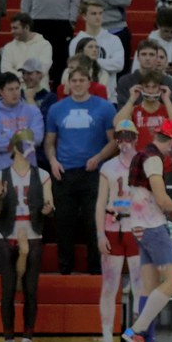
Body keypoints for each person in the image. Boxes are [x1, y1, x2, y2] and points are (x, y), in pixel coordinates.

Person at [122, 119, 172, 342]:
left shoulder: (140, 156)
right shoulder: (154, 160)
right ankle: (137, 331)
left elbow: (151, 200)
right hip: (152, 227)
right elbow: (162, 200)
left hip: (139, 226)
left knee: (149, 287)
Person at [44, 64, 116, 275]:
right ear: (68, 83)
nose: (77, 84)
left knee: (94, 222)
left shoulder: (105, 108)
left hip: (94, 173)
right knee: (64, 223)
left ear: (89, 83)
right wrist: (52, 161)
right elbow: (49, 142)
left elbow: (114, 142)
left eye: (81, 80)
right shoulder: (56, 109)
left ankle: (96, 269)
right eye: (73, 80)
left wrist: (99, 157)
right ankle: (65, 269)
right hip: (64, 172)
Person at [0, 128, 54, 342]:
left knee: (31, 290)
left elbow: (50, 205)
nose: (29, 148)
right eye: (25, 144)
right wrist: (1, 197)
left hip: (33, 235)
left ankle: (27, 338)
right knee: (7, 290)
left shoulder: (42, 175)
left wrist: (47, 209)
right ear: (16, 148)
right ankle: (8, 339)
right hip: (7, 235)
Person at [93, 119, 142, 342]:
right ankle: (107, 340)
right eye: (120, 137)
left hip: (136, 227)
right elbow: (100, 202)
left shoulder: (144, 164)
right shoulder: (108, 167)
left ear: (136, 138)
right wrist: (100, 233)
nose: (125, 142)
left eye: (129, 137)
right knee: (110, 286)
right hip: (113, 225)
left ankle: (138, 339)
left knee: (139, 286)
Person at [0, 72, 44, 178]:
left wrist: (6, 135)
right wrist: (25, 135)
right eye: (10, 89)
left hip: (28, 173)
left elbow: (37, 138)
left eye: (17, 88)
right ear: (0, 91)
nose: (15, 93)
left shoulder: (33, 111)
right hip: (0, 174)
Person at [114, 70, 172, 156]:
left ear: (160, 88)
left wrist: (166, 99)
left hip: (163, 160)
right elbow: (117, 124)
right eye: (147, 86)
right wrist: (132, 98)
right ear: (141, 87)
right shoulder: (134, 110)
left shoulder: (168, 110)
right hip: (139, 159)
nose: (150, 91)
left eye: (154, 87)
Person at [69, 0, 125, 102]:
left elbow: (118, 65)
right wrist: (106, 63)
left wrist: (91, 61)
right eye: (93, 14)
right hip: (82, 97)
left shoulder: (114, 40)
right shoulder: (76, 41)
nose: (98, 17)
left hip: (110, 98)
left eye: (100, 13)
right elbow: (75, 67)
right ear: (84, 16)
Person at [133, 7, 172, 85]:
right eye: (166, 31)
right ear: (158, 26)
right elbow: (135, 73)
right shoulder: (144, 47)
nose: (169, 35)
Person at [0, 13, 53, 91]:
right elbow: (5, 71)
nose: (12, 31)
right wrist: (28, 76)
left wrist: (18, 75)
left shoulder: (45, 45)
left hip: (40, 92)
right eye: (11, 28)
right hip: (16, 93)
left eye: (15, 28)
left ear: (26, 28)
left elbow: (41, 71)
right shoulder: (8, 47)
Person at [116, 39, 172, 106]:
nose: (147, 58)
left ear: (156, 57)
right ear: (138, 57)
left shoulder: (167, 81)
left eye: (151, 54)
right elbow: (121, 109)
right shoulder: (125, 81)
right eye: (143, 54)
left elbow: (171, 110)